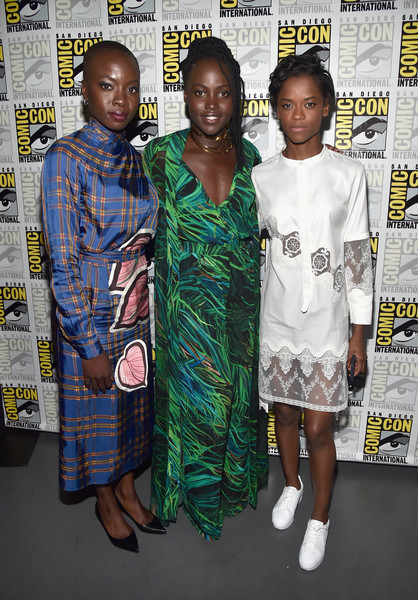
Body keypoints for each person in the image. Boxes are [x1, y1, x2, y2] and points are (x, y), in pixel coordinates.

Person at [41, 40, 165, 553]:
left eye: (131, 88)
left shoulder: (137, 160)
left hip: (133, 309)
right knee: (96, 417)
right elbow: (62, 263)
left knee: (130, 409)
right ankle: (106, 501)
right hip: (89, 314)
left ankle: (128, 489)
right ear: (85, 92)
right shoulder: (64, 158)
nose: (121, 99)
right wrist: (87, 346)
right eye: (107, 85)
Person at [143, 36, 268, 540]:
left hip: (239, 313)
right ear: (185, 95)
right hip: (186, 317)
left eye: (222, 92)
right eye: (199, 92)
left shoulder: (252, 157)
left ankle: (230, 489)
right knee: (196, 404)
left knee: (233, 398)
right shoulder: (160, 156)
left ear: (236, 96)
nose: (211, 104)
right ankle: (193, 497)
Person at [251, 54, 373, 570]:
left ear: (325, 109)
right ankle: (292, 485)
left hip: (328, 323)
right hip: (278, 319)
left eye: (308, 103)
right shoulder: (261, 176)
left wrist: (358, 334)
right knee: (283, 415)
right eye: (287, 105)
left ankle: (320, 517)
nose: (297, 114)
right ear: (276, 111)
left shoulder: (348, 173)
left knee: (319, 429)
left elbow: (357, 258)